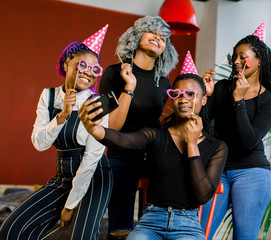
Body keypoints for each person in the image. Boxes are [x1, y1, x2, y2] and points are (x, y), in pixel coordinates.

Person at [79, 69, 228, 240]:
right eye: (177, 94)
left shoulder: (217, 147)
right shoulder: (156, 135)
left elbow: (203, 195)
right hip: (151, 220)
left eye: (190, 94)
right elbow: (124, 141)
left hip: (187, 224)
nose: (183, 99)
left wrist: (192, 143)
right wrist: (95, 129)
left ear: (203, 99)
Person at [0, 25, 112, 240]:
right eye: (83, 65)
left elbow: (91, 158)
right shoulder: (49, 96)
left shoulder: (97, 103)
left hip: (95, 176)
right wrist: (62, 116)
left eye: (95, 69)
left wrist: (70, 205)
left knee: (80, 237)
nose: (89, 72)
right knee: (11, 230)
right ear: (66, 63)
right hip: (63, 176)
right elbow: (39, 143)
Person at [98, 16, 178, 239]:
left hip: (154, 155)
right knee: (120, 229)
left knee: (150, 226)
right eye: (151, 31)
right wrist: (129, 88)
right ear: (135, 37)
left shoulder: (164, 83)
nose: (158, 38)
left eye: (163, 38)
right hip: (120, 152)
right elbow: (111, 127)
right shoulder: (114, 73)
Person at [200, 34, 271, 240]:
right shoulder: (221, 89)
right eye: (234, 56)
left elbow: (248, 141)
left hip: (252, 172)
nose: (236, 61)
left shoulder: (269, 101)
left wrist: (238, 100)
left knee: (244, 237)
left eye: (242, 56)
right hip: (218, 169)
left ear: (259, 60)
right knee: (199, 232)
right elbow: (201, 127)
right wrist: (205, 97)